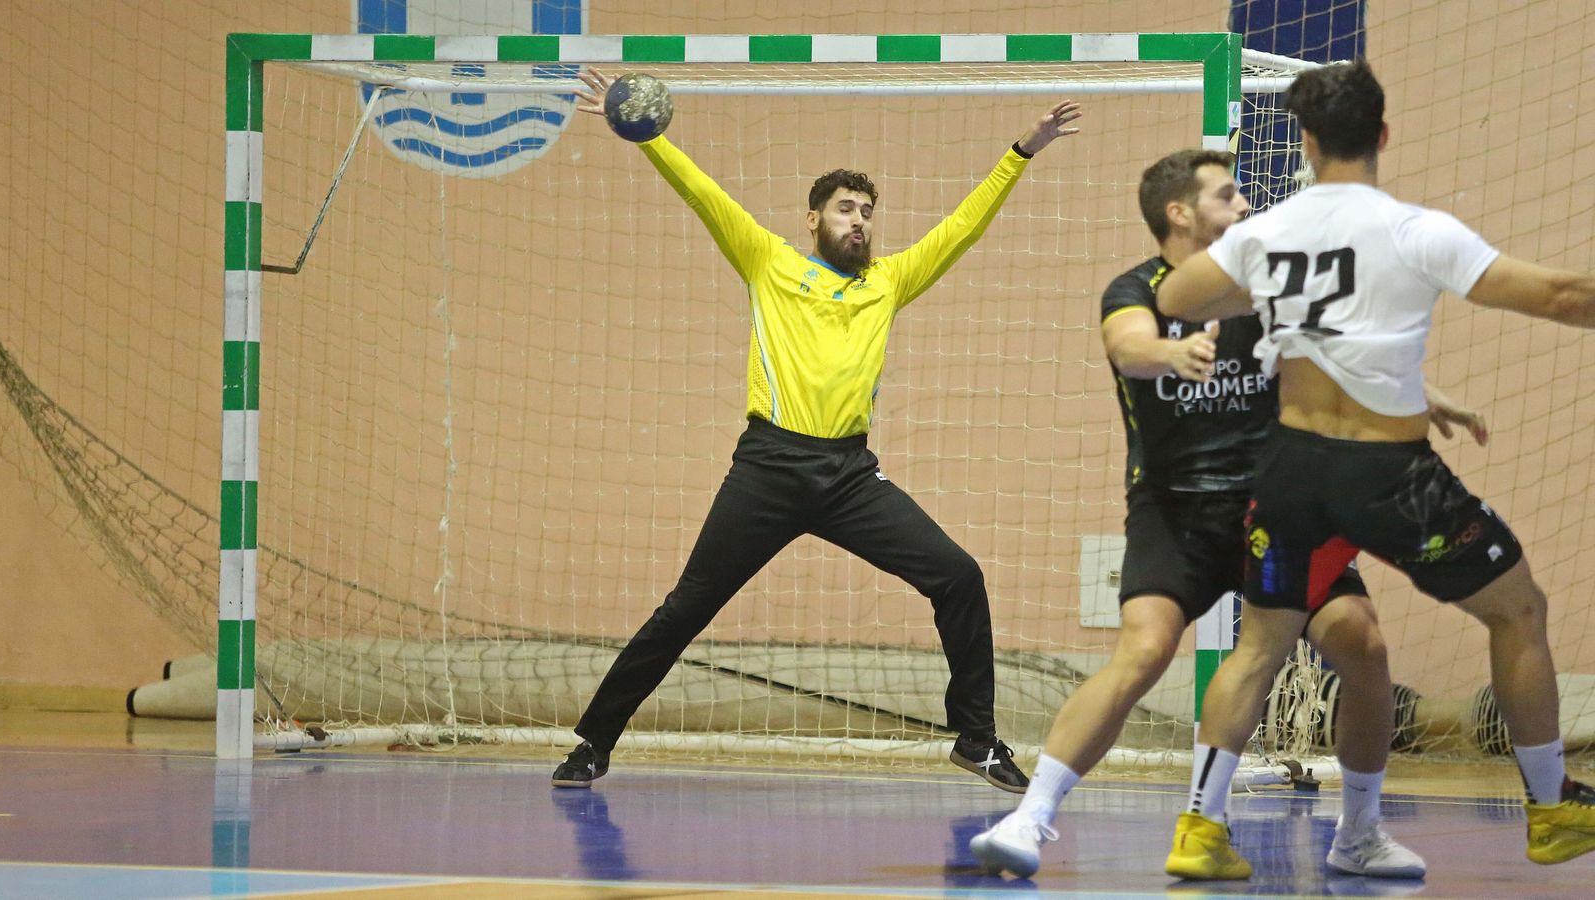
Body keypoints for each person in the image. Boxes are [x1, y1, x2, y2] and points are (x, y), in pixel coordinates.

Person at [549, 68, 1084, 792]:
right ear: (812, 220)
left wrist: (1020, 153)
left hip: (849, 476)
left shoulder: (890, 281)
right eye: (844, 209)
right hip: (768, 468)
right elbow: (703, 193)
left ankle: (977, 739)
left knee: (959, 576)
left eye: (867, 211)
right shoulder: (768, 261)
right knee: (686, 608)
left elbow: (962, 226)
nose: (859, 221)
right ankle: (593, 742)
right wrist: (647, 136)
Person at [970, 148, 1478, 880]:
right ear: (1180, 214)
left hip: (1275, 509)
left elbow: (1342, 352)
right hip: (1174, 513)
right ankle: (1030, 817)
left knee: (1362, 644)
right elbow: (1127, 345)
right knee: (1144, 651)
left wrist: (1423, 395)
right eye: (1226, 195)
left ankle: (1360, 834)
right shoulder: (1136, 290)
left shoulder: (1269, 287)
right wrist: (1167, 356)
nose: (1244, 205)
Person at [1155, 58, 1595, 879]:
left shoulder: (1265, 233)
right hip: (1388, 476)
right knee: (1518, 609)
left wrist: (1271, 299)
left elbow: (1176, 297)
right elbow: (1562, 297)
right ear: (1383, 134)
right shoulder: (1415, 230)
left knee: (1259, 647)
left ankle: (1199, 831)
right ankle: (1551, 808)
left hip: (1289, 469)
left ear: (1307, 142)